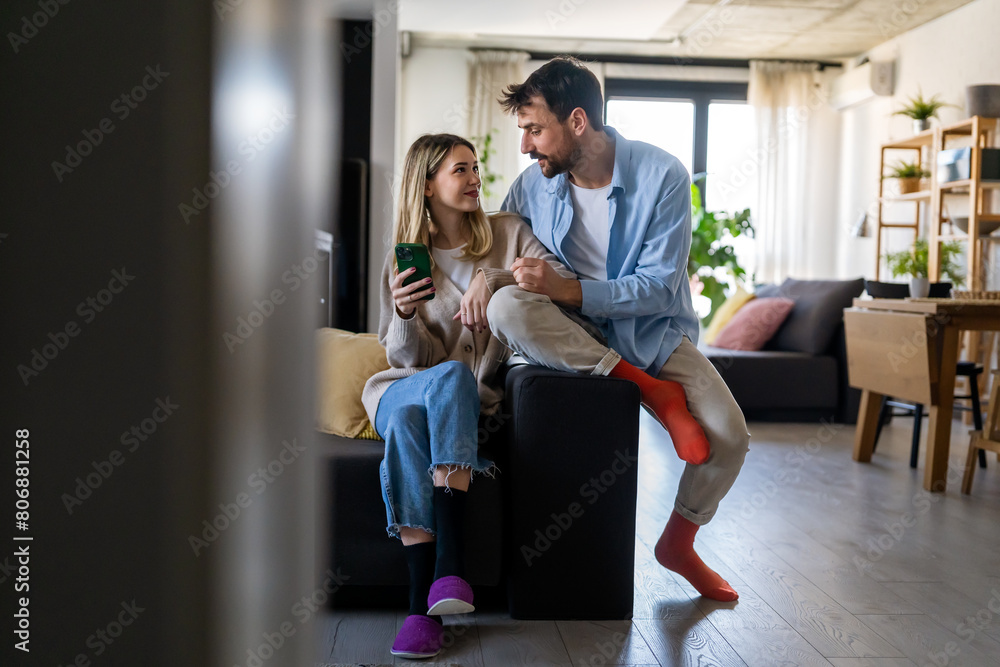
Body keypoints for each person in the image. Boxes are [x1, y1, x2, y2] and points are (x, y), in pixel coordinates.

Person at [487, 57, 751, 602]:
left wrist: (568, 289)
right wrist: (483, 280)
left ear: (578, 122)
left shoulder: (664, 176)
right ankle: (652, 392)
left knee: (730, 434)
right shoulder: (531, 186)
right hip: (566, 329)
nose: (526, 146)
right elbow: (498, 256)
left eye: (535, 130)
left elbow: (657, 288)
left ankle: (679, 543)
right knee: (506, 307)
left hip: (649, 331)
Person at [362, 133, 572, 658]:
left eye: (476, 167)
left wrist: (495, 277)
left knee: (417, 423)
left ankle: (418, 608)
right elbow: (406, 363)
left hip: (447, 409)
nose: (476, 178)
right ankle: (449, 568)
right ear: (427, 184)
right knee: (447, 381)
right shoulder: (407, 259)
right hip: (400, 389)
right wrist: (406, 316)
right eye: (461, 170)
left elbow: (563, 282)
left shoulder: (507, 233)